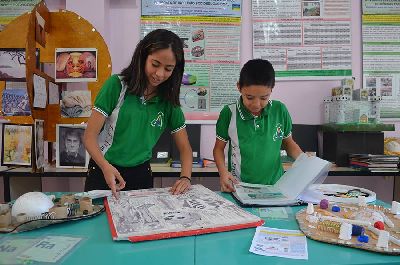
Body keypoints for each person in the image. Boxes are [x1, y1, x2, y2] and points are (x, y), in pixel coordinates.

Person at [84, 29, 193, 198]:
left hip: (141, 175)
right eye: (155, 64)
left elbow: (185, 148)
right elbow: (89, 137)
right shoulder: (117, 86)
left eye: (168, 69)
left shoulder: (169, 101)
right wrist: (105, 167)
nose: (160, 74)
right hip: (103, 169)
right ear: (142, 56)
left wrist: (185, 177)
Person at [213, 59, 304, 192]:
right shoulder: (229, 113)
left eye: (263, 98)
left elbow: (288, 143)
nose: (256, 104)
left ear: (271, 90)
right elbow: (218, 149)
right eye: (249, 97)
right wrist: (223, 173)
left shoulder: (280, 110)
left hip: (275, 188)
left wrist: (305, 161)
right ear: (239, 87)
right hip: (239, 188)